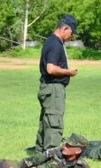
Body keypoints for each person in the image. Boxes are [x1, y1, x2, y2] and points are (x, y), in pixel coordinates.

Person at [35, 14, 78, 152]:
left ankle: (40, 150)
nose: (71, 36)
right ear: (65, 28)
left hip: (49, 87)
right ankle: (52, 153)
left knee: (46, 120)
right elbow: (51, 68)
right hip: (53, 88)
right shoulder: (55, 44)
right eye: (71, 33)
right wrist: (68, 72)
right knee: (54, 121)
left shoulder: (53, 41)